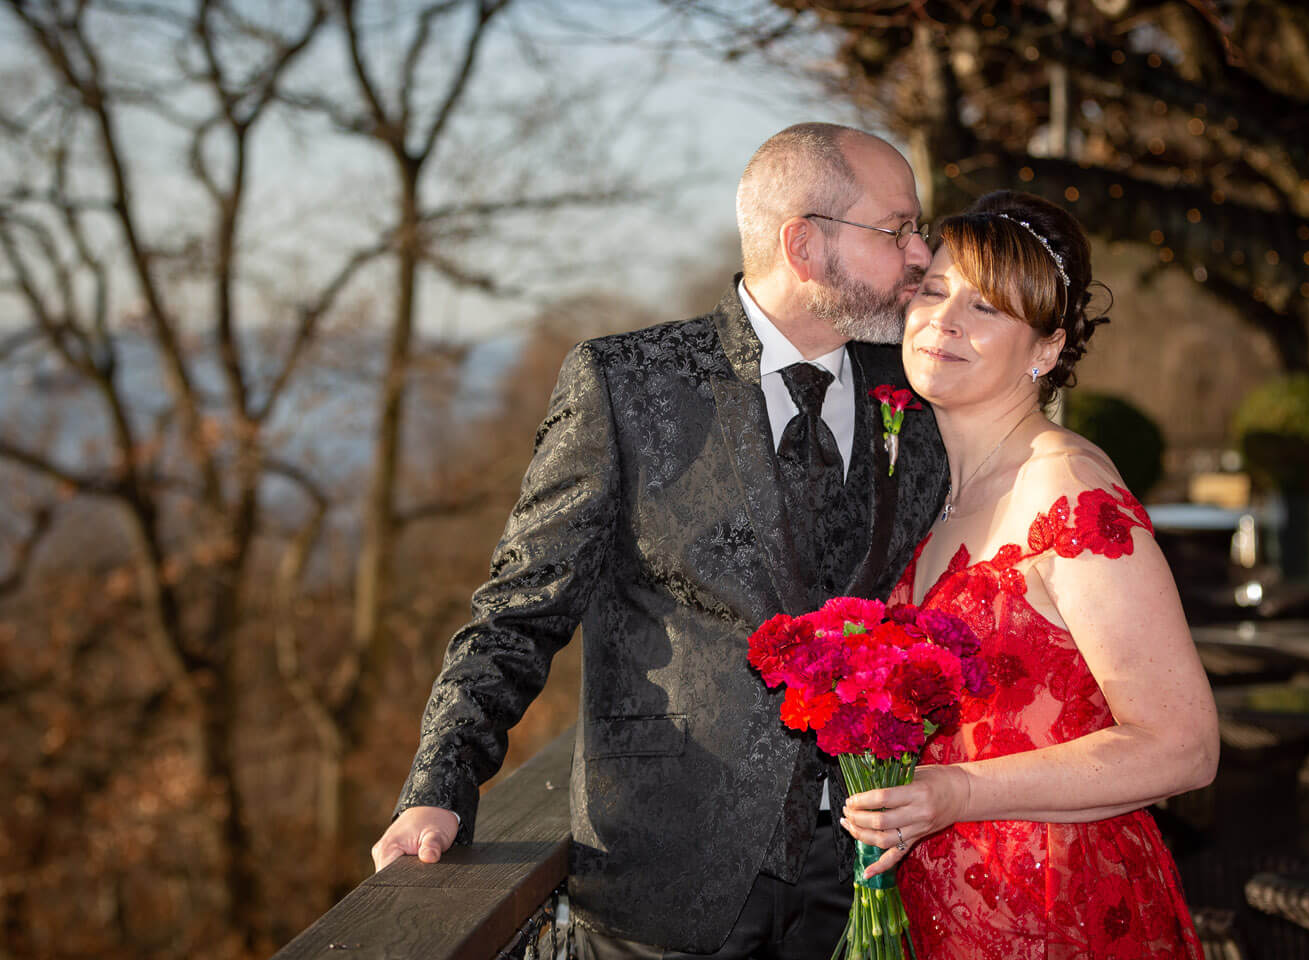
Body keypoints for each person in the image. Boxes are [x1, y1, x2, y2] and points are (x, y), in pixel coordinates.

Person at [370, 122, 950, 959]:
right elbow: (520, 610)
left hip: (868, 877)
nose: (921, 254)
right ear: (806, 245)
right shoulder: (631, 385)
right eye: (897, 230)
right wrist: (440, 785)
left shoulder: (918, 395)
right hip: (672, 881)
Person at [839, 191, 1220, 959]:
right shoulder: (931, 494)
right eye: (935, 291)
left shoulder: (1068, 489)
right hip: (940, 903)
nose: (943, 321)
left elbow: (1184, 746)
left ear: (1045, 349)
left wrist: (963, 793)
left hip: (1057, 906)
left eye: (985, 309)